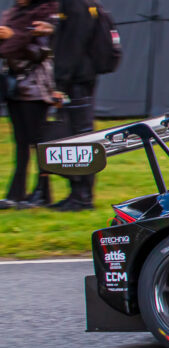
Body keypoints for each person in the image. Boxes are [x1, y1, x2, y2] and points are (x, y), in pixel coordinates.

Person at [0, 0, 59, 210]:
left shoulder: (46, 14)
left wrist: (12, 38)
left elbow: (41, 51)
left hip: (35, 88)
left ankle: (43, 192)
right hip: (16, 87)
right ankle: (16, 193)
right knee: (21, 143)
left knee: (38, 143)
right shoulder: (12, 14)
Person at [46, 0, 99, 211]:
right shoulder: (81, 4)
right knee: (75, 137)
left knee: (80, 138)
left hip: (76, 81)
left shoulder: (74, 5)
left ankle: (82, 197)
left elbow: (72, 45)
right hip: (80, 78)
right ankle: (77, 194)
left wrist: (60, 82)